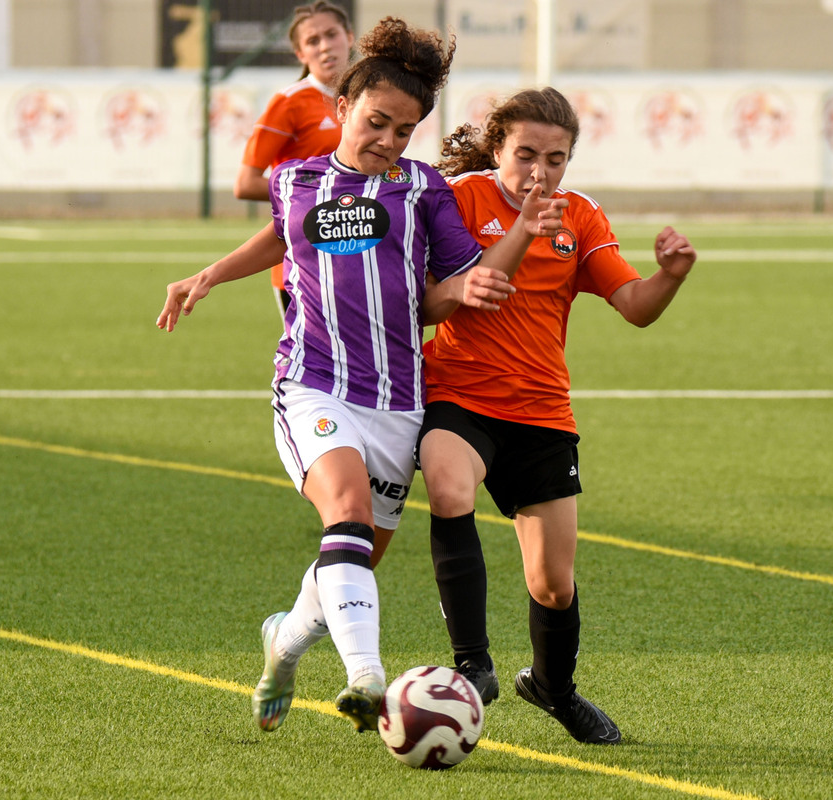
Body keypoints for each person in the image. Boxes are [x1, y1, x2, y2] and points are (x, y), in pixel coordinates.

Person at [156, 18, 566, 735]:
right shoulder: (296, 179)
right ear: (343, 108)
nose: (387, 140)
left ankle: (283, 644)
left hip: (399, 403)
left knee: (350, 560)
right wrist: (211, 274)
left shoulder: (424, 191)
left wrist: (500, 257)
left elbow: (459, 284)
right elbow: (280, 233)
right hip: (313, 383)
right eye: (377, 122)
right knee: (342, 511)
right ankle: (368, 679)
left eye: (404, 131)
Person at [419, 87, 697, 745]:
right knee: (449, 486)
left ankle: (553, 688)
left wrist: (671, 277)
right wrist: (522, 230)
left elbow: (632, 304)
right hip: (459, 395)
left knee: (552, 585)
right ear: (497, 149)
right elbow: (441, 303)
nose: (540, 172)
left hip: (541, 409)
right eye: (525, 155)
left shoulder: (582, 217)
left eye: (557, 158)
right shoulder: (459, 200)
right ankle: (473, 665)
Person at [234, 2, 354, 316]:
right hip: (302, 257)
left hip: (358, 247)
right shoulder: (289, 103)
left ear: (350, 37)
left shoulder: (368, 99)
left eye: (332, 34)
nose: (325, 46)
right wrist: (319, 192)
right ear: (301, 54)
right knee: (310, 361)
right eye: (313, 41)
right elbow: (245, 184)